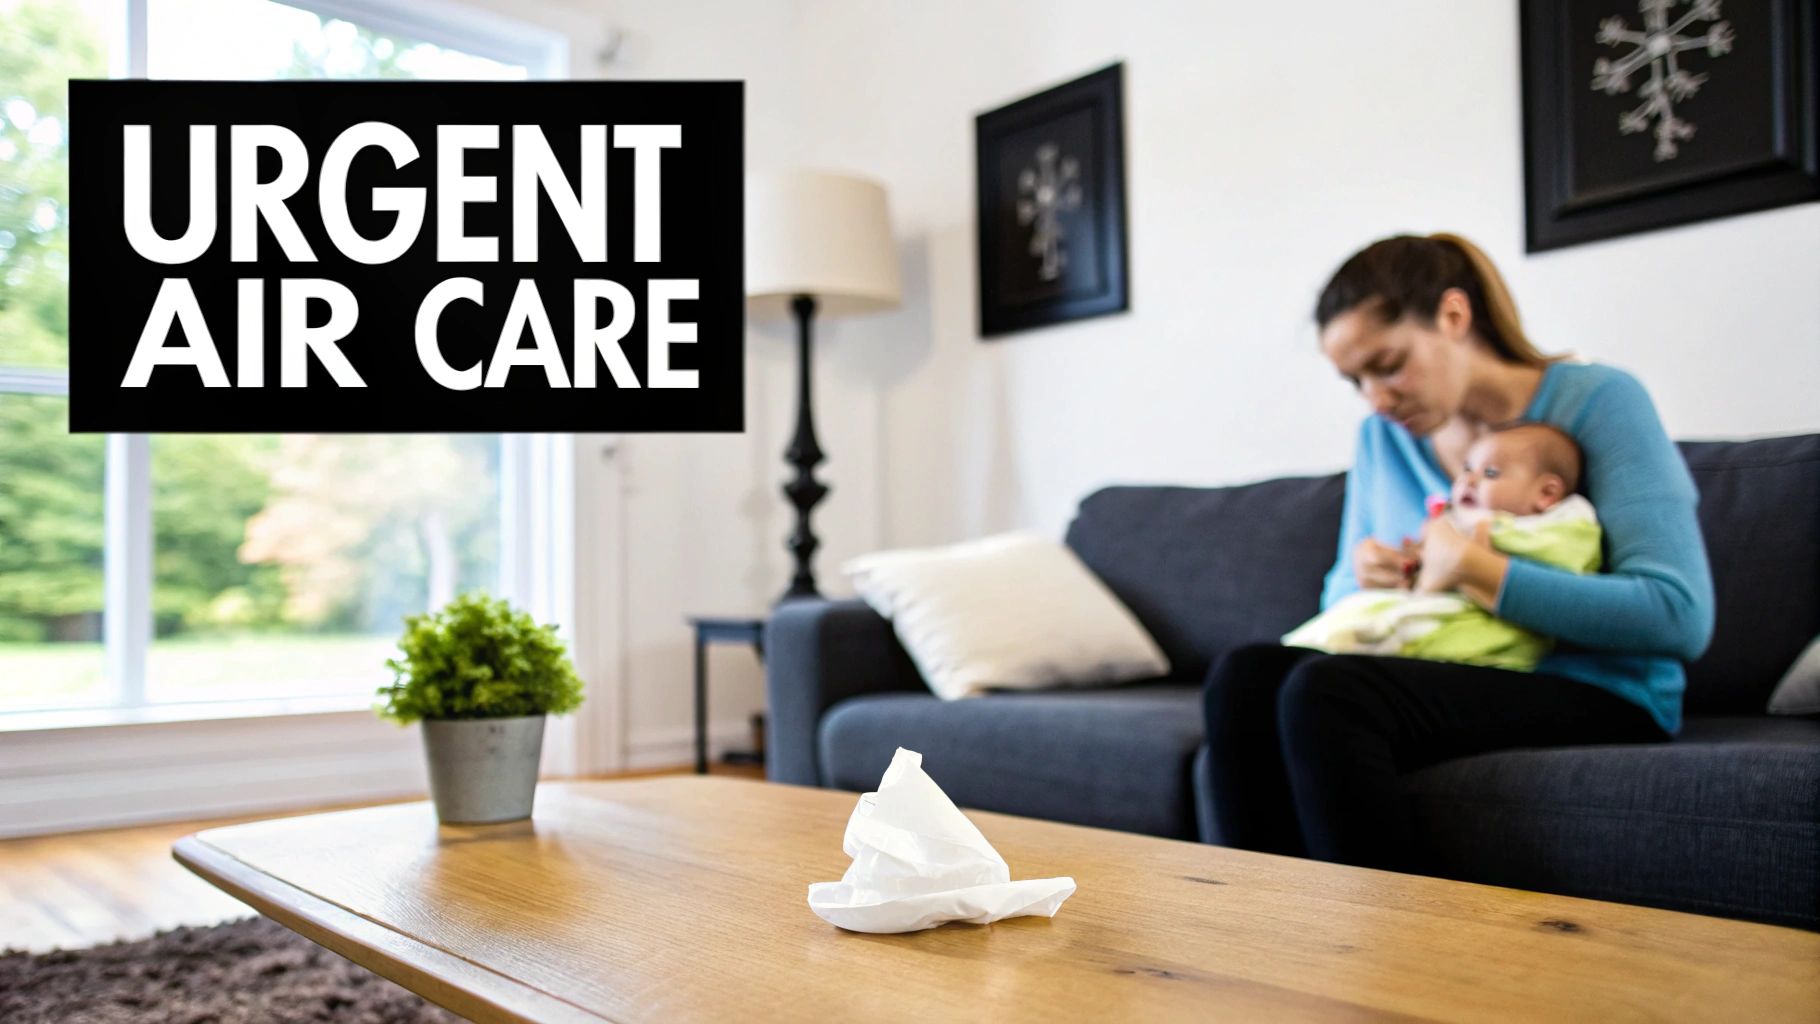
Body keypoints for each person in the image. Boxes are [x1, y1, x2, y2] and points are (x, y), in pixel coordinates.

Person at [1200, 232, 1714, 874]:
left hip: (1597, 688)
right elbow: (1338, 607)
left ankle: (1394, 956)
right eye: (1355, 380)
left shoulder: (1598, 401)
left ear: (1453, 316)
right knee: (1244, 675)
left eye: (1387, 365)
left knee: (1327, 693)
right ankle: (1257, 935)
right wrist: (1367, 575)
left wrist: (1477, 571)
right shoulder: (1382, 440)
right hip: (1443, 669)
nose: (1376, 399)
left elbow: (1678, 615)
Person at [1281, 422, 1601, 671]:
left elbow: (1562, 562)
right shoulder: (1444, 516)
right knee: (1263, 664)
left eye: (1490, 473)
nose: (1470, 481)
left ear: (1546, 494)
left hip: (1475, 641)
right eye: (1466, 470)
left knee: (1317, 674)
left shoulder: (1560, 527)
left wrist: (1475, 548)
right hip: (1420, 618)